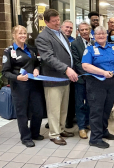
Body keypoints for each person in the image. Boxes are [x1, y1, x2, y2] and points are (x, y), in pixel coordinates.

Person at [35, 9, 78, 145]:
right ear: (46, 22)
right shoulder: (43, 37)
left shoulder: (60, 33)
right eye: (54, 21)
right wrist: (66, 69)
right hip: (53, 79)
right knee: (54, 109)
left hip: (65, 78)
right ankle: (54, 134)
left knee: (63, 107)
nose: (57, 23)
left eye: (58, 20)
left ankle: (60, 129)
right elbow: (49, 58)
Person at [82, 26, 114, 148]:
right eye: (98, 34)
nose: (101, 36)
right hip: (96, 83)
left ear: (106, 34)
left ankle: (103, 131)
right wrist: (102, 72)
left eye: (103, 33)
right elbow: (85, 65)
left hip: (111, 82)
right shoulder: (90, 49)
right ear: (94, 36)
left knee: (107, 109)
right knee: (97, 110)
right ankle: (95, 138)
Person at [2, 25, 44, 147]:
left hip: (34, 85)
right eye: (20, 33)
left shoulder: (31, 49)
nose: (23, 36)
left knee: (38, 111)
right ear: (14, 35)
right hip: (20, 87)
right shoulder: (9, 51)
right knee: (22, 113)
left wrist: (37, 69)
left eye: (24, 33)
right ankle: (25, 137)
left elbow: (37, 63)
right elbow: (5, 72)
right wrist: (17, 78)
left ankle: (35, 133)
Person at [71, 21, 94, 139]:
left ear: (90, 30)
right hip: (81, 79)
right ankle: (81, 127)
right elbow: (76, 62)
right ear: (78, 31)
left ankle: (88, 123)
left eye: (86, 29)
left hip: (93, 80)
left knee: (91, 102)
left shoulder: (94, 43)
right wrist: (88, 72)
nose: (84, 32)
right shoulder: (75, 44)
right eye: (82, 30)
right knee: (80, 104)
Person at [61, 20, 76, 129]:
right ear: (61, 27)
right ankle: (57, 121)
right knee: (59, 100)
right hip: (59, 74)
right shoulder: (58, 40)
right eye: (67, 27)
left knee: (71, 99)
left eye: (71, 28)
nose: (68, 29)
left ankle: (69, 120)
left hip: (73, 74)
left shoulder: (74, 41)